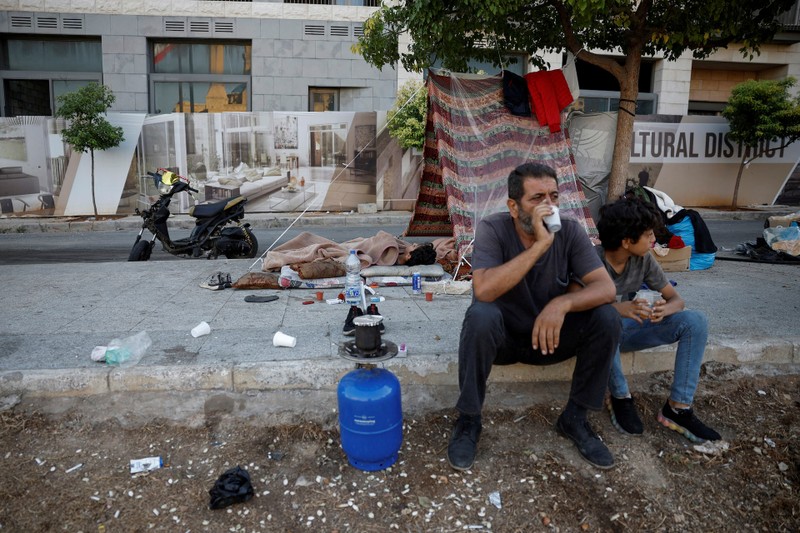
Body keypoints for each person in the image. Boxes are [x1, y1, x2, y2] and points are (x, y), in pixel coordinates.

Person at [447, 162, 621, 471]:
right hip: (504, 342)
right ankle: (469, 420)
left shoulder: (569, 231)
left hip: (550, 340)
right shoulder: (492, 228)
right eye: (537, 198)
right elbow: (484, 290)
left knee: (606, 317)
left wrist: (562, 305)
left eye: (554, 196)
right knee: (480, 315)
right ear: (513, 207)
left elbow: (606, 289)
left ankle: (575, 418)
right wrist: (540, 246)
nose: (549, 206)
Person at [595, 198, 721, 442]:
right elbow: (579, 308)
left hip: (627, 328)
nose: (653, 239)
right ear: (626, 241)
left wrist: (665, 310)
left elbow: (676, 299)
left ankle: (677, 408)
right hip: (597, 332)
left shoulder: (643, 259)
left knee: (695, 320)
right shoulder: (592, 260)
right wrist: (619, 308)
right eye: (648, 234)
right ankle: (620, 397)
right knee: (603, 321)